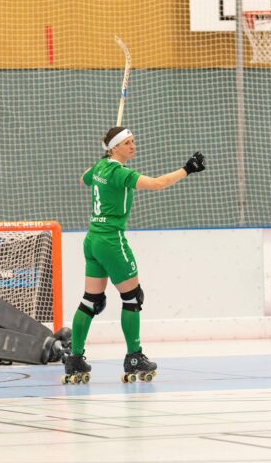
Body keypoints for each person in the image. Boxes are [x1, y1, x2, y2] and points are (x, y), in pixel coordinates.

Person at [64, 126, 206, 383]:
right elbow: (158, 184)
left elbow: (83, 178)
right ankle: (134, 356)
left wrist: (104, 159)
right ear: (115, 147)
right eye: (127, 143)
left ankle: (74, 358)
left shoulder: (100, 167)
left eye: (133, 141)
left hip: (92, 240)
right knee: (132, 298)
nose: (133, 146)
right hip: (111, 240)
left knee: (90, 301)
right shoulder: (120, 173)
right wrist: (187, 169)